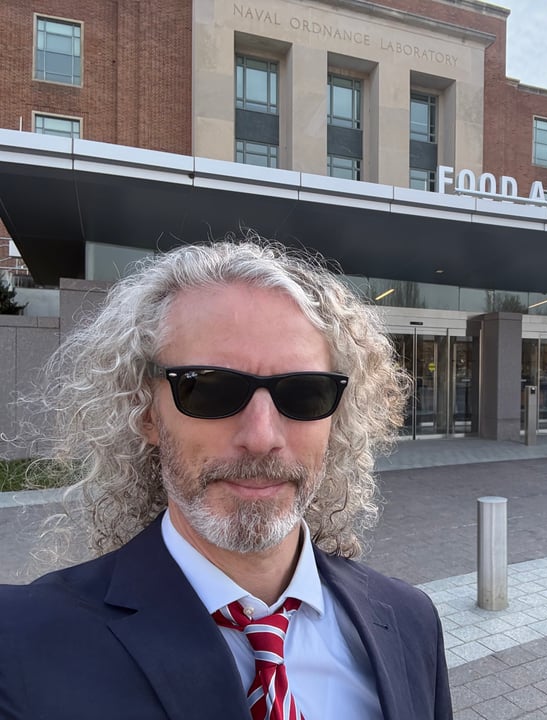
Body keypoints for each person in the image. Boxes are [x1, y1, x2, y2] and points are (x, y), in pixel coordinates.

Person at [0, 239, 452, 719]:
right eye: (209, 389)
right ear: (146, 412)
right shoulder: (22, 643)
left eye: (304, 393)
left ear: (335, 420)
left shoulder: (410, 620)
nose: (261, 437)